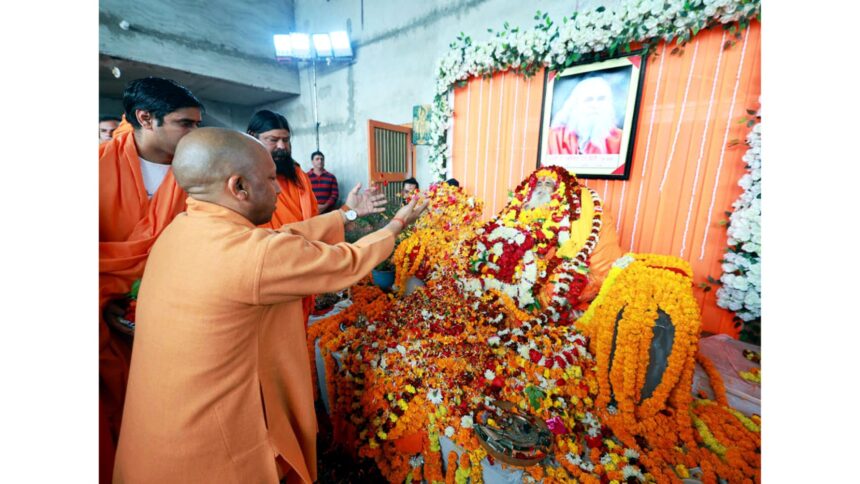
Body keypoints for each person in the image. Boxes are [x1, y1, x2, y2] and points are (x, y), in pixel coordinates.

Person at [114, 127, 427, 483]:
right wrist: (399, 223)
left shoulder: (180, 230)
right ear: (239, 187)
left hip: (153, 442)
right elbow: (348, 261)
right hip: (211, 455)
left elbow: (280, 240)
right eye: (269, 179)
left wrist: (344, 215)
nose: (279, 188)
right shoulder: (252, 255)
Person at [99, 76, 203, 483]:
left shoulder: (198, 171)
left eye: (197, 124)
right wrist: (109, 301)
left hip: (177, 317)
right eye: (185, 124)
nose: (194, 133)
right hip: (102, 314)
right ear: (145, 118)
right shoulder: (95, 165)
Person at [547, 76, 623, 155]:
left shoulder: (620, 139)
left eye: (601, 99)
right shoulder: (554, 137)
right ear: (575, 105)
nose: (595, 105)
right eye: (589, 100)